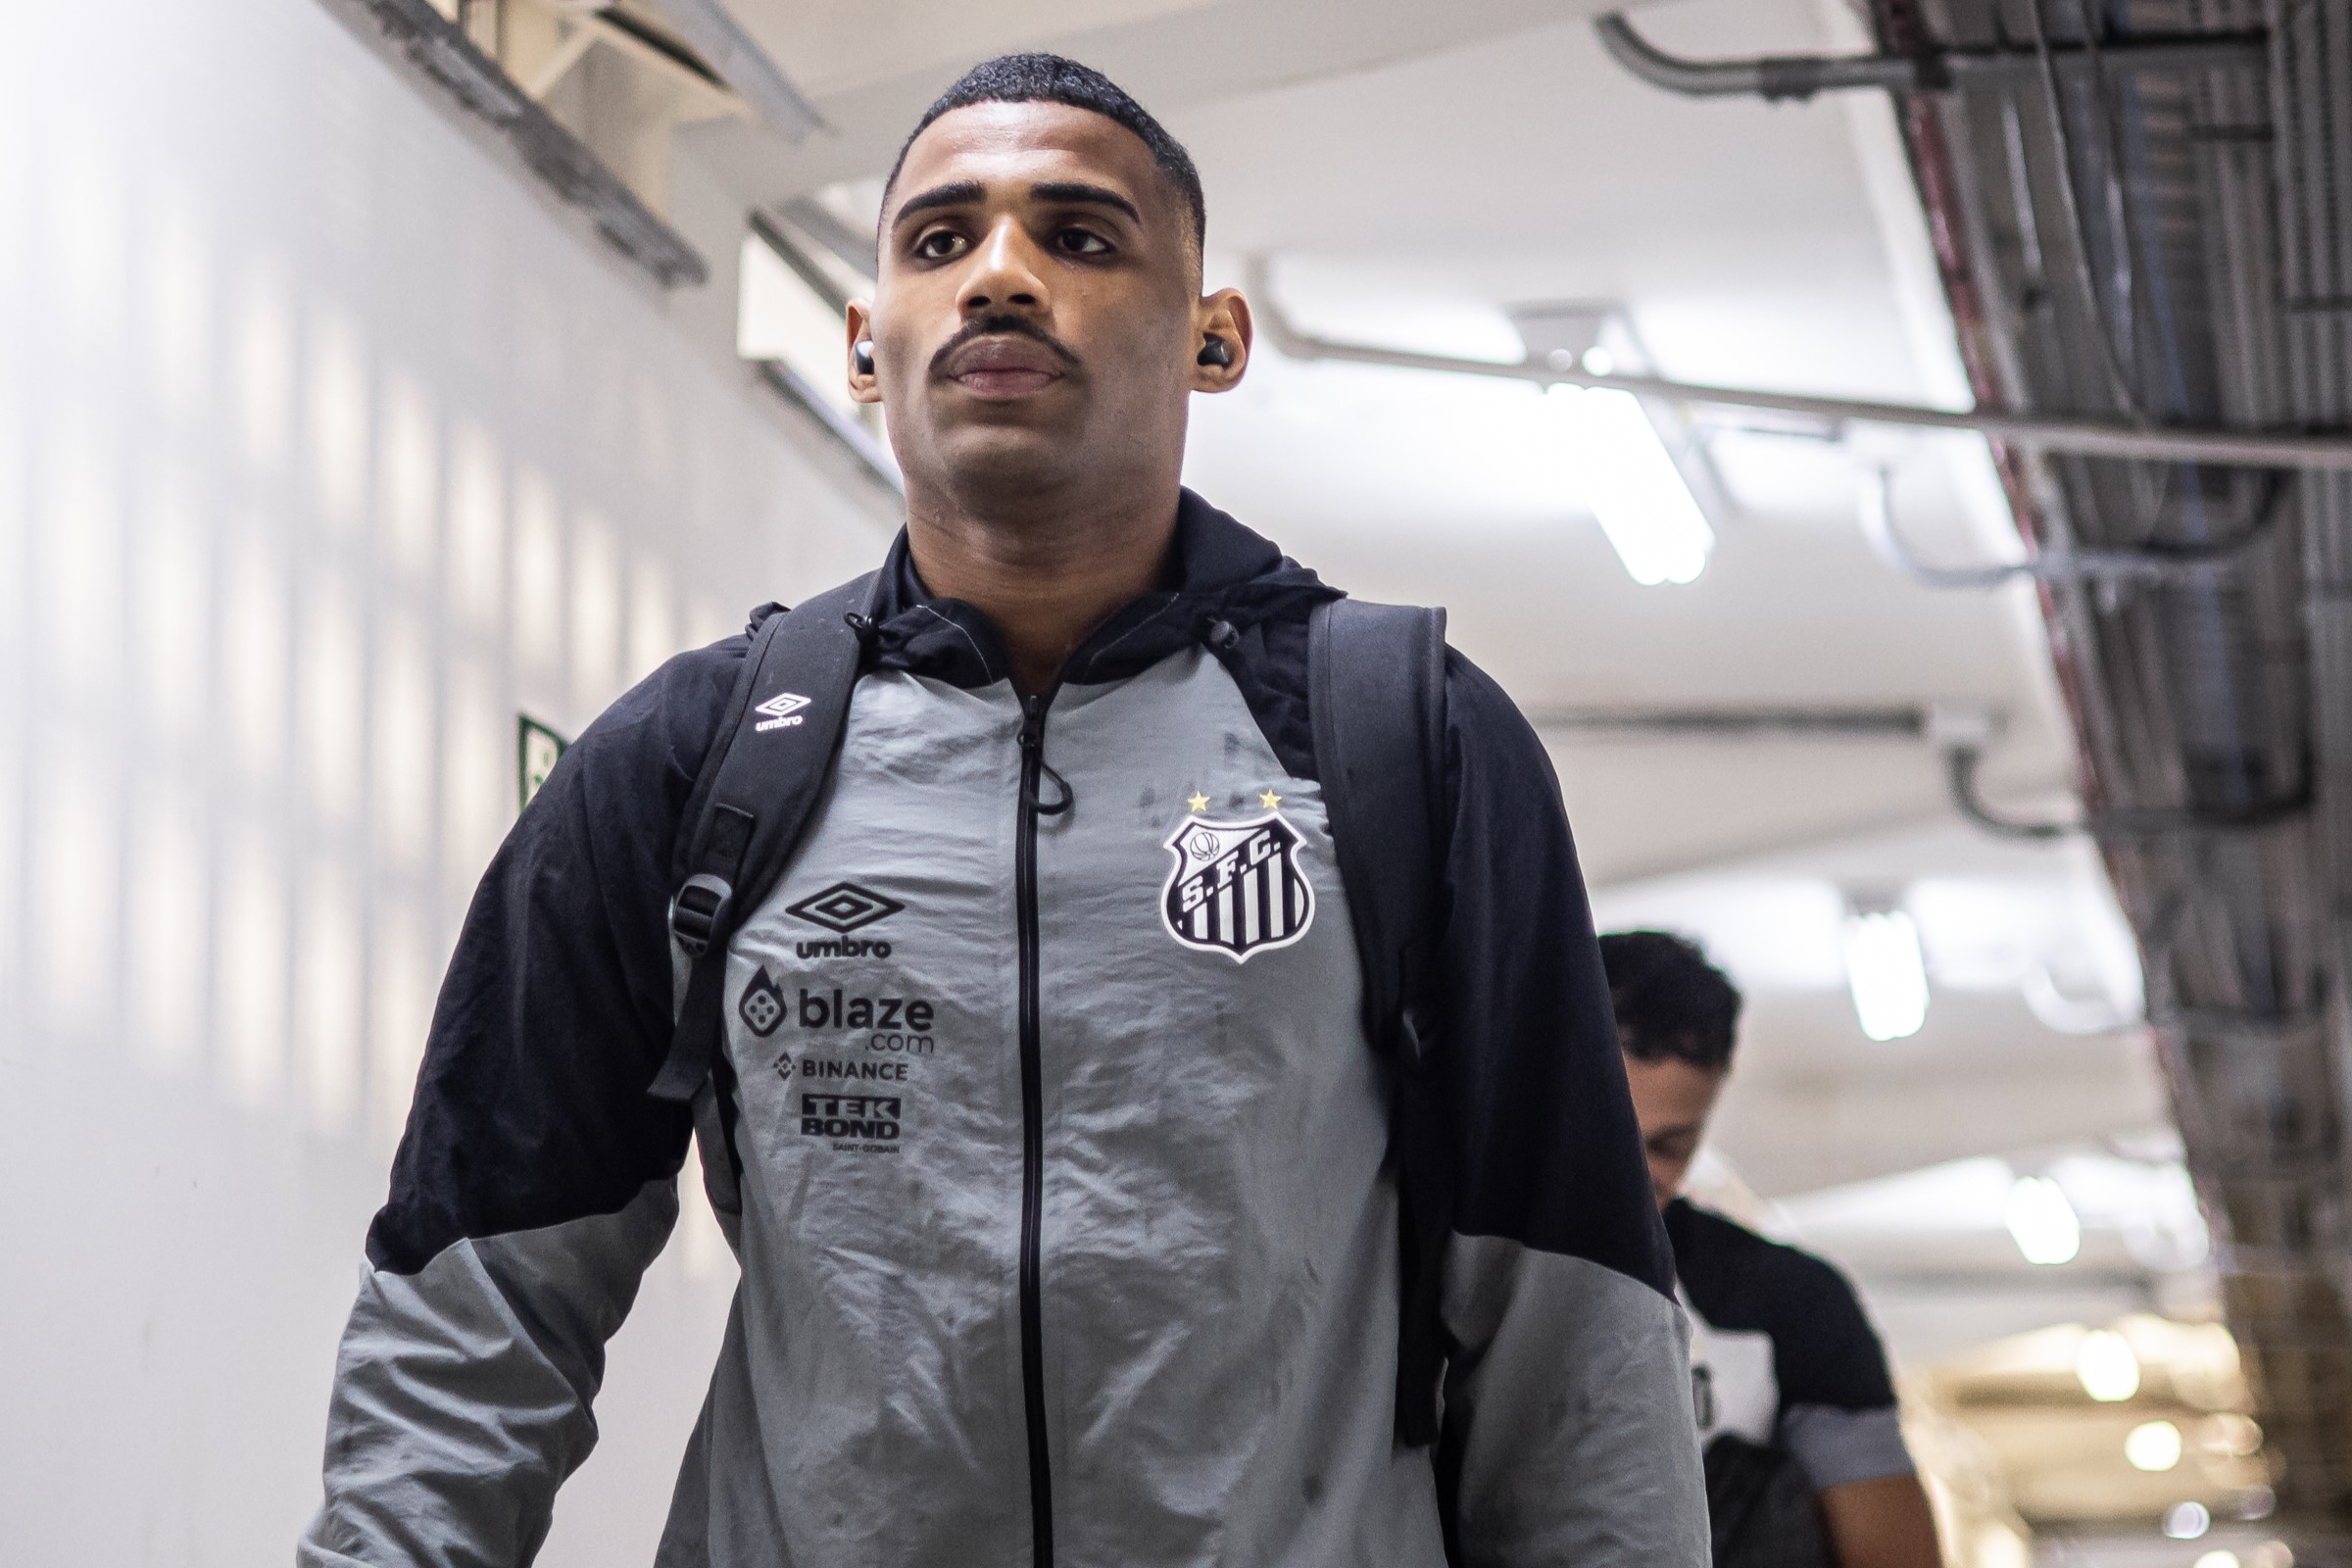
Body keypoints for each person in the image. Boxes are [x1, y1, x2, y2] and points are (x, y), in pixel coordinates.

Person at [299, 52, 1707, 1568]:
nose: (1000, 277)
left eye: (1080, 236)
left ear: (1214, 338)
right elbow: (480, 1305)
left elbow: (1574, 1337)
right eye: (940, 238)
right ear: (864, 346)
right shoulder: (695, 760)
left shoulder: (1409, 741)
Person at [1599, 930, 1943, 1568]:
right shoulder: (1446, 1269)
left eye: (1666, 1148)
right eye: (1602, 1135)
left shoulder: (1786, 1300)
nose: (1629, 1176)